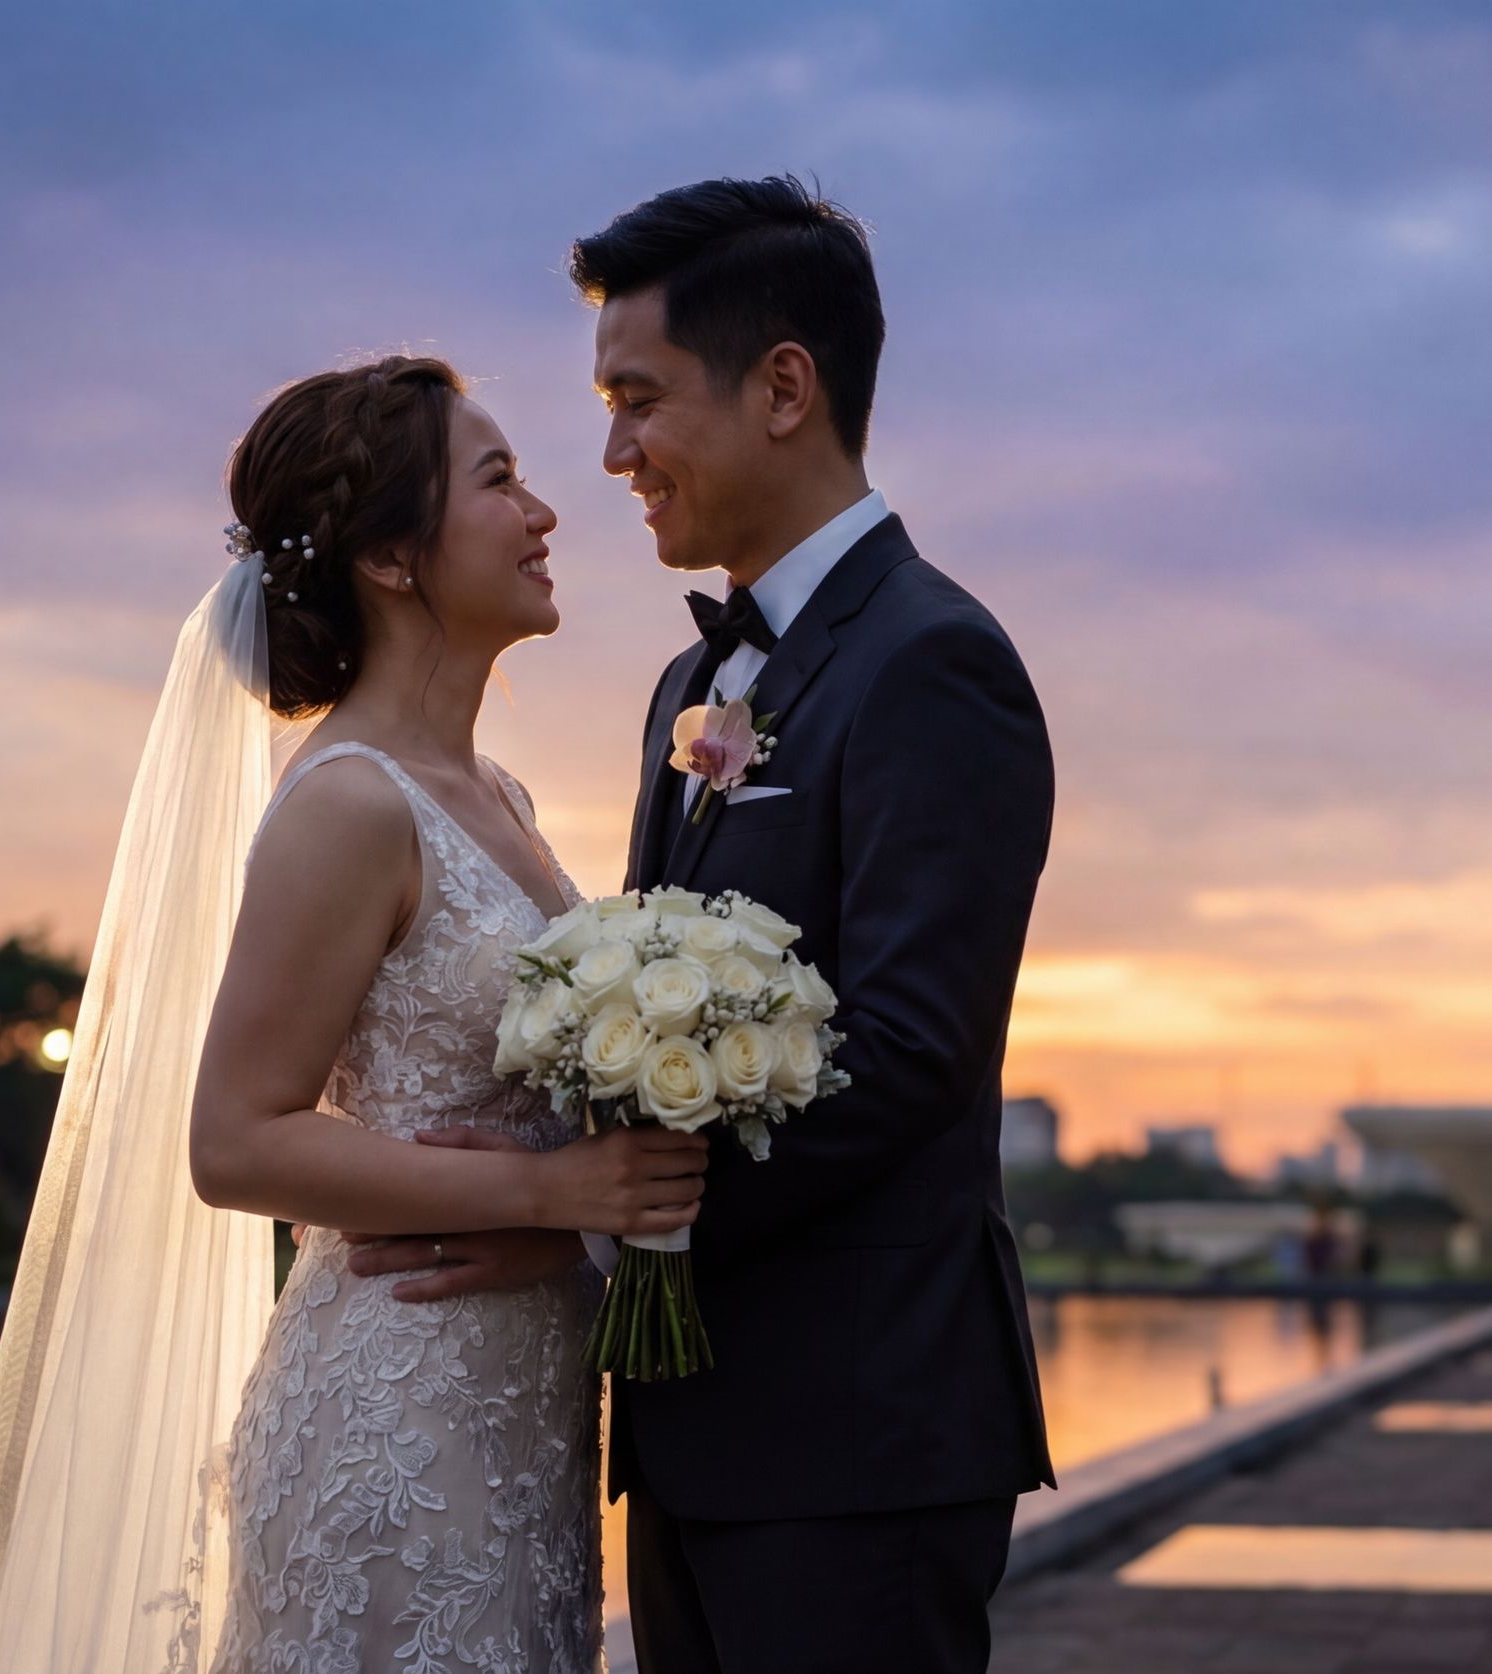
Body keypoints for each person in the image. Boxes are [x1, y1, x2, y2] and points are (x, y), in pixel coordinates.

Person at [362, 176, 1059, 1674]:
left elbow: (911, 1054)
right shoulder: (692, 695)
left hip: (862, 1438)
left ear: (784, 389)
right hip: (690, 1433)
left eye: (638, 399)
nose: (610, 453)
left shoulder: (937, 663)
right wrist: (563, 1187)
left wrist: (598, 1210)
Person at [0, 356, 710, 1673]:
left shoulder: (499, 796)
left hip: (519, 1420)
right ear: (394, 556)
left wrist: (579, 1218)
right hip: (393, 1430)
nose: (546, 513)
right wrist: (553, 1191)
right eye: (502, 479)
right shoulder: (350, 800)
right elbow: (235, 1139)